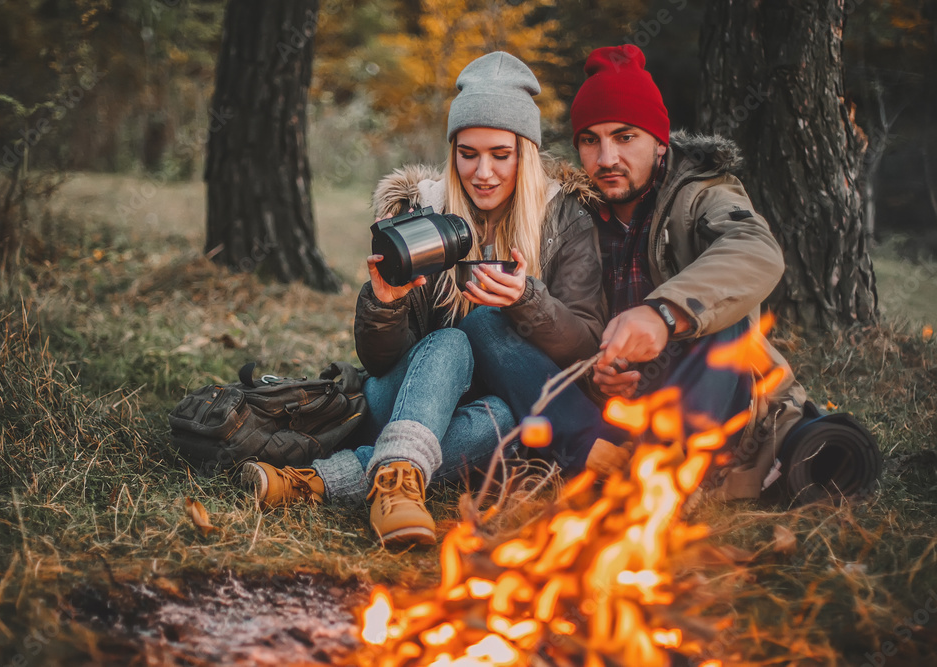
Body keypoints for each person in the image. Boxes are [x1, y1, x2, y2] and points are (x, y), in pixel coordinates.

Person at [238, 52, 605, 547]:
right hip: (407, 394)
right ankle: (391, 481)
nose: (483, 172)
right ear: (452, 151)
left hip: (486, 419)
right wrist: (384, 304)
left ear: (526, 153)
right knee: (453, 342)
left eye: (501, 153)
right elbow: (380, 360)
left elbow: (585, 345)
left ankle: (332, 481)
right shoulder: (420, 215)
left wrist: (528, 300)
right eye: (468, 153)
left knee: (503, 414)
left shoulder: (565, 221)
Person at [462, 44, 809, 500]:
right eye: (591, 140)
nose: (607, 158)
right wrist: (600, 373)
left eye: (625, 137)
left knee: (725, 320)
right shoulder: (570, 210)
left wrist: (664, 315)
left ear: (659, 140)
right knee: (485, 325)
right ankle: (602, 460)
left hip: (701, 395)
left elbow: (756, 250)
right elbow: (575, 334)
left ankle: (668, 475)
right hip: (605, 408)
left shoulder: (702, 194)